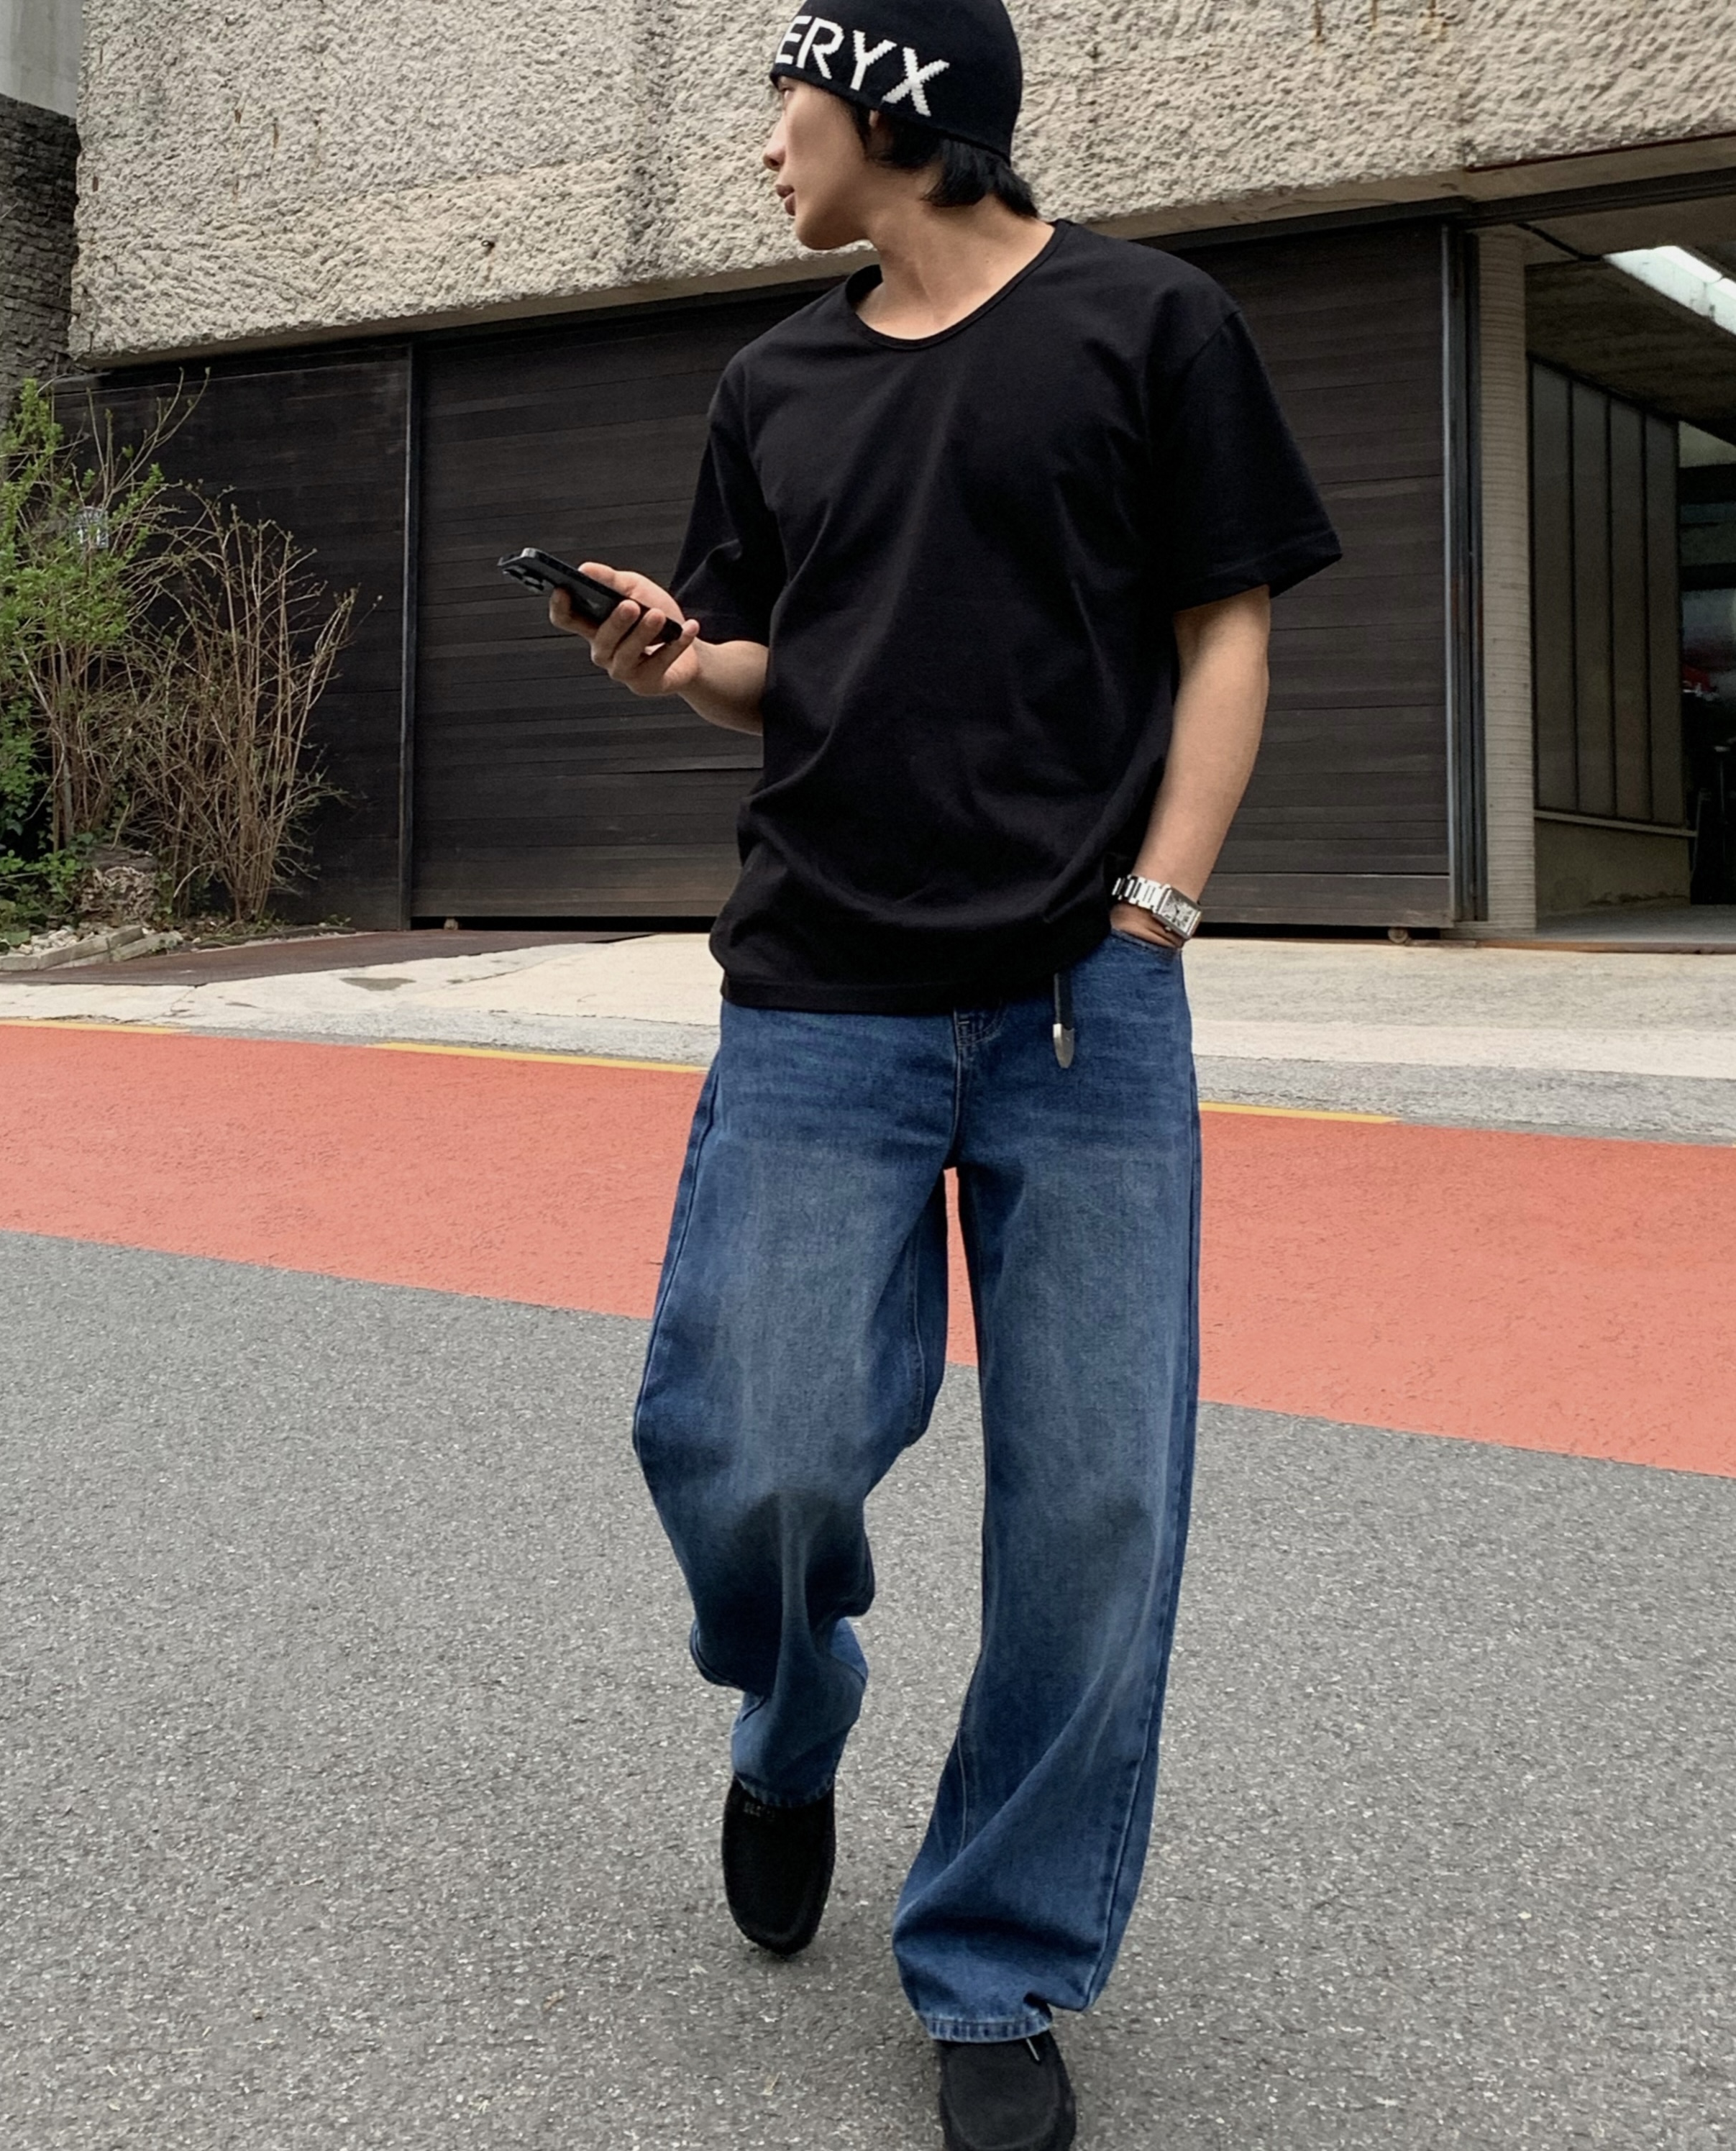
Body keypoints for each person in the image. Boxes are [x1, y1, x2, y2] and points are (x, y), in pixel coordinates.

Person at [547, 4, 1340, 2145]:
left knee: (1093, 1506)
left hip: (1086, 1007)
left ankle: (998, 1961)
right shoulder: (775, 384)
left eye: (783, 103)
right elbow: (772, 664)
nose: (763, 150)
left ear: (890, 98)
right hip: (822, 994)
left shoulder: (1148, 325)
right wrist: (674, 658)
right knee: (758, 1452)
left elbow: (1230, 625)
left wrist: (1160, 908)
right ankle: (793, 1716)